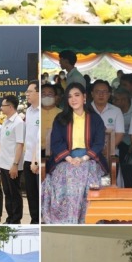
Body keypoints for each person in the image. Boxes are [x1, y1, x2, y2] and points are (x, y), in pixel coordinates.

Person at [43, 82, 108, 223]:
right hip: (65, 159)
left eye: (77, 95)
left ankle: (85, 219)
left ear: (84, 97)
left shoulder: (95, 119)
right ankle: (66, 219)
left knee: (82, 175)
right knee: (64, 176)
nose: (73, 99)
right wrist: (68, 158)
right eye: (70, 96)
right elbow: (56, 143)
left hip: (89, 159)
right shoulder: (60, 119)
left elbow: (98, 143)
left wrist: (83, 158)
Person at [0, 94, 25, 224]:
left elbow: (20, 144)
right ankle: (9, 217)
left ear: (10, 106)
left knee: (15, 193)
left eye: (3, 105)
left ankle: (16, 219)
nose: (1, 108)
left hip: (12, 165)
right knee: (7, 193)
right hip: (3, 164)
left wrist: (15, 164)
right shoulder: (5, 122)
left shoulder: (18, 122)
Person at [23, 82, 41, 224]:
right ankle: (34, 219)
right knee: (30, 193)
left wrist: (36, 161)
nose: (27, 94)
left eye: (30, 91)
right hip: (28, 157)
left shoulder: (42, 112)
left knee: (39, 192)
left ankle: (40, 220)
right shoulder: (29, 111)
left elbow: (39, 139)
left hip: (39, 160)